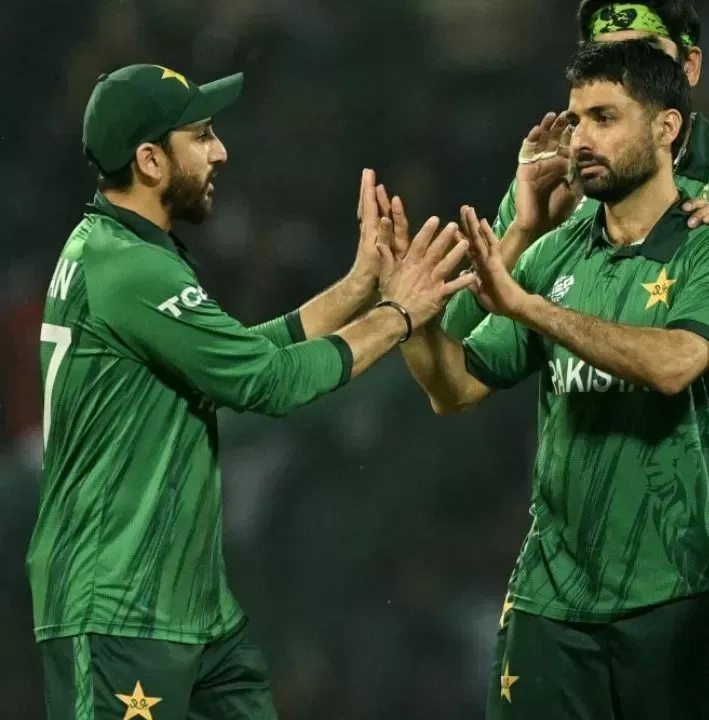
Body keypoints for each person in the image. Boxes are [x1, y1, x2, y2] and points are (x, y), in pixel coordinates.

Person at [29, 64, 472, 720]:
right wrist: (398, 316)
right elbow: (267, 383)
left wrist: (360, 286)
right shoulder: (130, 269)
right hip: (120, 607)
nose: (221, 152)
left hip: (188, 606)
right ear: (150, 160)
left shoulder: (117, 249)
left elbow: (239, 357)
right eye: (201, 136)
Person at [394, 40, 709, 719]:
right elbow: (455, 389)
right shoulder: (554, 254)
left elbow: (674, 364)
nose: (581, 139)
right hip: (552, 600)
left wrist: (531, 308)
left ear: (667, 127)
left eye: (605, 118)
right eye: (575, 120)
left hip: (681, 591)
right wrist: (410, 317)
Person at [436, 0, 709, 563]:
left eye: (641, 53)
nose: (619, 70)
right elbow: (457, 342)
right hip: (572, 514)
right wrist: (525, 230)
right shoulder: (560, 174)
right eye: (603, 57)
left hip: (698, 519)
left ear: (688, 67)